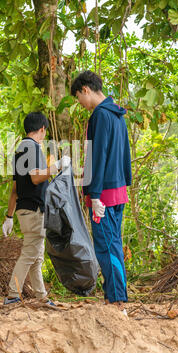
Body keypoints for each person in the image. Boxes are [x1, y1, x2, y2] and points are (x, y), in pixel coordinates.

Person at [71, 71, 132, 314]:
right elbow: (125, 154)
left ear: (86, 90)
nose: (80, 104)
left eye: (78, 98)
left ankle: (117, 300)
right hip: (118, 191)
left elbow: (97, 156)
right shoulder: (118, 114)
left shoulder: (100, 115)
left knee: (107, 247)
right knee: (113, 243)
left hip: (103, 195)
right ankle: (113, 297)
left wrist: (94, 194)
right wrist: (125, 182)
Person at [2, 111, 70, 305]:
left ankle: (41, 296)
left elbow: (15, 188)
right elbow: (35, 177)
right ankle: (13, 294)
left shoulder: (19, 150)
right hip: (33, 210)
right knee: (30, 254)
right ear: (42, 129)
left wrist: (9, 216)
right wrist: (57, 166)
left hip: (25, 209)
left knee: (36, 256)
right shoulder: (31, 148)